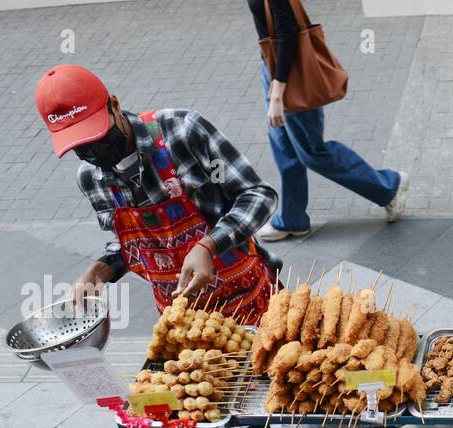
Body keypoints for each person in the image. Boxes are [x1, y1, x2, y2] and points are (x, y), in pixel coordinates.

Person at [36, 64, 279, 319]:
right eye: (82, 147)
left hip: (251, 304)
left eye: (98, 137)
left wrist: (209, 245)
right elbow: (134, 245)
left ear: (115, 106)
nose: (96, 152)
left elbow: (258, 195)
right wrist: (100, 271)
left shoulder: (182, 131)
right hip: (179, 321)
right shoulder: (91, 178)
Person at [249, 0, 410, 241]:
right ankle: (292, 219)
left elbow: (288, 32)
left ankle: (389, 186)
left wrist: (278, 93)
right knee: (285, 149)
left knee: (313, 152)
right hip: (272, 67)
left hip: (291, 76)